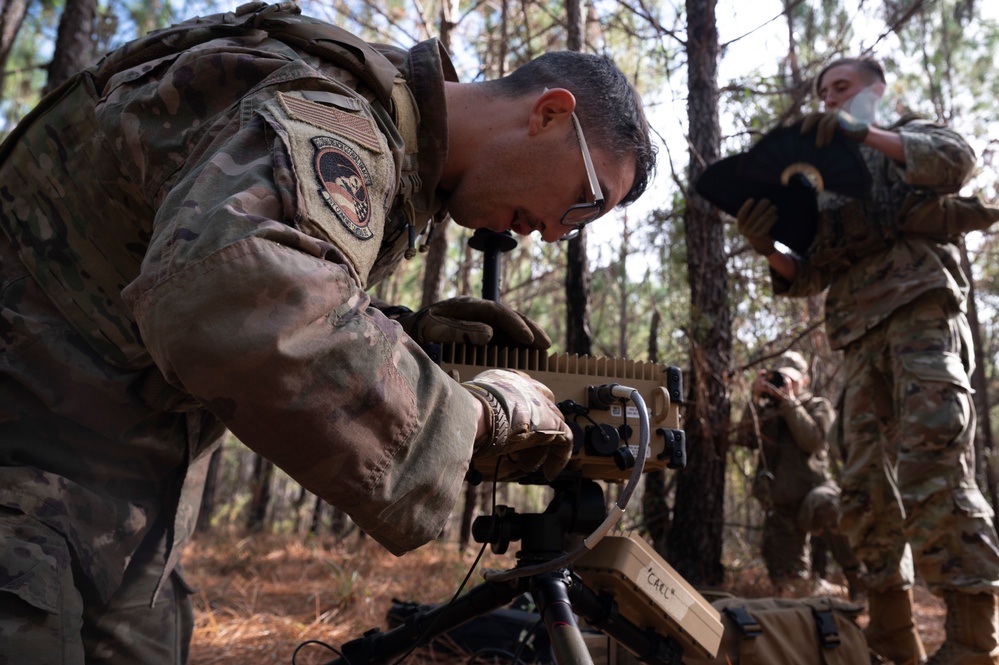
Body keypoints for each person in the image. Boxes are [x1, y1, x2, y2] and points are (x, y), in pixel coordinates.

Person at [0, 3, 656, 662]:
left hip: (115, 493)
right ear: (549, 114)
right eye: (580, 204)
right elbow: (224, 296)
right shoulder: (333, 115)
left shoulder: (384, 139)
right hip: (30, 465)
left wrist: (405, 338)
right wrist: (477, 415)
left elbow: (195, 269)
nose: (550, 232)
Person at [734, 55, 999, 665]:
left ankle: (971, 641)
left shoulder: (910, 139)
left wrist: (865, 136)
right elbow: (808, 276)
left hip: (920, 324)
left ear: (874, 92)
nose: (829, 99)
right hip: (858, 342)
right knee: (862, 490)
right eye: (823, 92)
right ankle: (891, 635)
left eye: (842, 88)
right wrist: (767, 246)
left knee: (935, 467)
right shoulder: (826, 192)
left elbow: (956, 161)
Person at [736, 350, 862, 599]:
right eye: (780, 378)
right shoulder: (766, 410)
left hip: (813, 497)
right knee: (789, 587)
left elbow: (812, 440)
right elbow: (745, 438)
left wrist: (790, 403)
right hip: (781, 505)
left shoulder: (818, 406)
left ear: (804, 380)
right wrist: (754, 398)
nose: (785, 384)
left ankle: (859, 580)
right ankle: (818, 591)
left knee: (831, 505)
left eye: (790, 379)